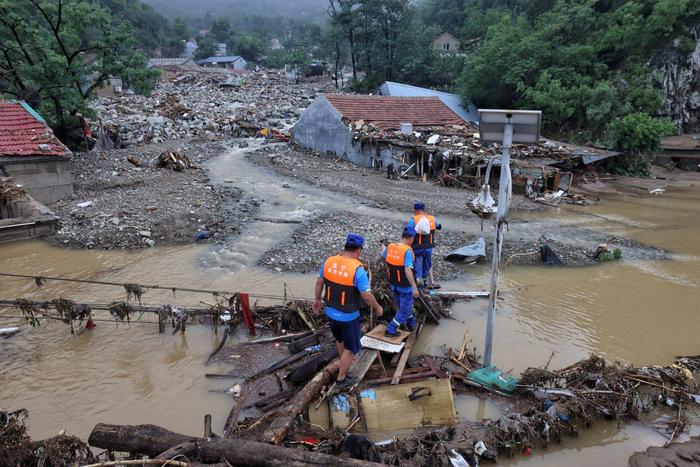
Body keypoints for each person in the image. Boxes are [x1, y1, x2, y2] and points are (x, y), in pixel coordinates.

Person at [312, 233, 383, 388]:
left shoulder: (329, 262)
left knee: (340, 340)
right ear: (358, 250)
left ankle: (342, 362)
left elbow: (319, 282)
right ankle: (341, 379)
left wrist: (317, 300)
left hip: (330, 313)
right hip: (347, 317)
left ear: (345, 247)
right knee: (351, 348)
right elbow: (367, 295)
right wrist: (378, 308)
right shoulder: (358, 270)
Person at [381, 227, 419, 336]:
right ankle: (391, 329)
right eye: (413, 239)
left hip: (394, 285)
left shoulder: (391, 246)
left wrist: (382, 246)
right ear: (410, 238)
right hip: (405, 287)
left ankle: (411, 325)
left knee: (403, 308)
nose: (412, 241)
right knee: (404, 310)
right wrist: (414, 287)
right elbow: (407, 270)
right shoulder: (407, 251)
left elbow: (383, 254)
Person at [406, 202, 442, 288]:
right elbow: (439, 227)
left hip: (417, 247)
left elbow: (407, 232)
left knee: (418, 262)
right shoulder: (432, 219)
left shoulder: (413, 220)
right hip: (429, 247)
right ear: (424, 209)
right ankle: (425, 281)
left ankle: (418, 282)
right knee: (427, 263)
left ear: (415, 210)